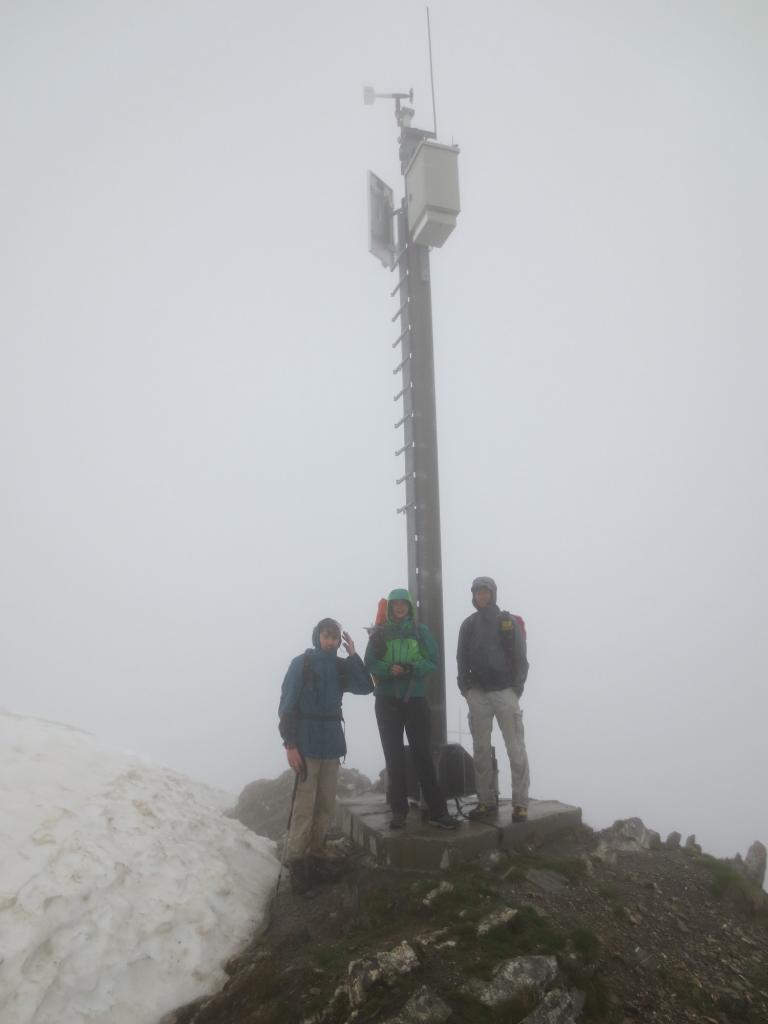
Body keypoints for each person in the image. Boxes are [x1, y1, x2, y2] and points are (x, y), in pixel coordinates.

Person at [278, 617, 373, 890]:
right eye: (326, 635)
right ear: (317, 636)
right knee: (304, 807)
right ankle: (297, 859)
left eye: (335, 637)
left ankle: (316, 851)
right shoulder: (302, 664)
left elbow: (366, 687)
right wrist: (290, 745)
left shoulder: (341, 666)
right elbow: (287, 706)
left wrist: (353, 654)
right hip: (306, 745)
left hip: (331, 744)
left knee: (326, 804)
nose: (330, 641)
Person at [364, 588, 458, 831]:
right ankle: (399, 812)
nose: (399, 608)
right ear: (390, 607)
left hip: (415, 700)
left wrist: (411, 668)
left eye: (403, 604)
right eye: (395, 605)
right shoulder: (380, 632)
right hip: (386, 701)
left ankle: (438, 811)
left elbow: (433, 660)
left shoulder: (420, 630)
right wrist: (388, 670)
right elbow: (370, 662)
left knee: (422, 755)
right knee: (393, 756)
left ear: (409, 607)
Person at [457, 576, 531, 823]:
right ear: (473, 595)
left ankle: (520, 803)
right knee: (480, 750)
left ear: (493, 594)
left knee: (515, 747)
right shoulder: (468, 624)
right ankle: (485, 801)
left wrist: (515, 689)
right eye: (478, 592)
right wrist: (466, 689)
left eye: (486, 592)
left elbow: (521, 657)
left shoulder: (506, 622)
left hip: (504, 691)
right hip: (477, 692)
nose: (482, 596)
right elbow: (461, 659)